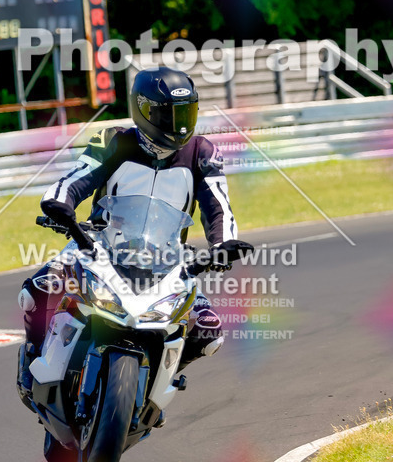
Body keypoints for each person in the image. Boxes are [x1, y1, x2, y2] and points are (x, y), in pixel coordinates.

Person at [18, 66, 253, 388]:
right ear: (143, 111)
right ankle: (34, 359)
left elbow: (217, 206)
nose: (179, 124)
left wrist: (223, 244)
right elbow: (73, 182)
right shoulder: (114, 140)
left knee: (209, 332)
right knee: (38, 290)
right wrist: (59, 204)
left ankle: (159, 375)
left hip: (169, 259)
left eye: (186, 113)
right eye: (168, 115)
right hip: (96, 246)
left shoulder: (202, 152)